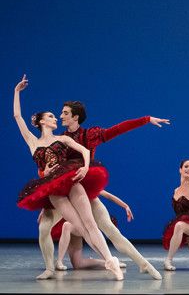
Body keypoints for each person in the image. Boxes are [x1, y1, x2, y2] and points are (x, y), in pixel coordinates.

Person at [36, 99, 168, 280]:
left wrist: (145, 119)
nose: (61, 116)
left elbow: (117, 129)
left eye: (65, 113)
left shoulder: (89, 135)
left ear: (75, 117)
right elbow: (48, 169)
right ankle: (50, 268)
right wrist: (45, 201)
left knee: (111, 231)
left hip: (83, 190)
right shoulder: (59, 140)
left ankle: (143, 264)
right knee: (44, 227)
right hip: (63, 193)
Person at [13, 74, 124, 280]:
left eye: (58, 116)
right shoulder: (32, 142)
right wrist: (16, 92)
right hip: (53, 189)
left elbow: (83, 151)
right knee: (79, 227)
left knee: (90, 223)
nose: (56, 118)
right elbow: (18, 117)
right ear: (41, 121)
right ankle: (52, 267)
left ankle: (111, 262)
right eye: (52, 117)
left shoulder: (62, 138)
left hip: (70, 179)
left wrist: (85, 169)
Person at [52, 190, 132, 271]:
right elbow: (55, 200)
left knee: (66, 226)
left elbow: (108, 195)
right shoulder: (66, 186)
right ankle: (107, 262)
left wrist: (125, 206)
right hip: (72, 222)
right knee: (77, 264)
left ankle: (59, 261)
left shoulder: (86, 187)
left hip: (82, 225)